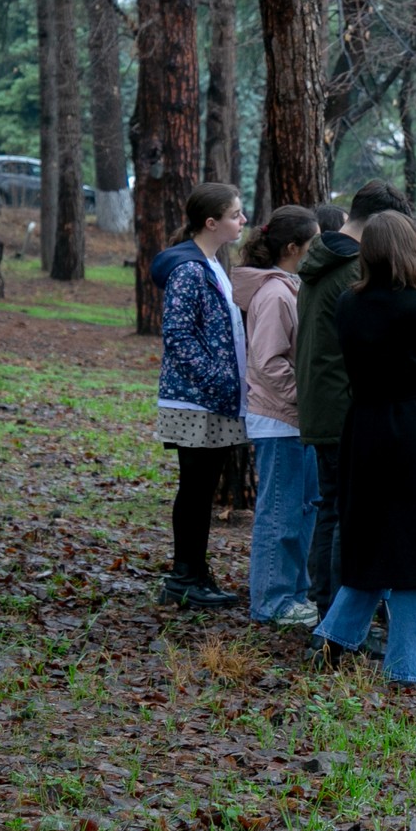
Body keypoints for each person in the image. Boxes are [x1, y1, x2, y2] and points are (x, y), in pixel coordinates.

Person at [309, 212, 416, 685]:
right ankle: (404, 668)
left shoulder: (349, 303)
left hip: (366, 428)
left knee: (373, 545)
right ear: (408, 250)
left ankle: (332, 644)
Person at [296, 179, 415, 614]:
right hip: (345, 407)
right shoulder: (351, 269)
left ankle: (327, 611)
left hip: (324, 403)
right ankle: (338, 621)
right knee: (349, 517)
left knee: (333, 510)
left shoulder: (322, 257)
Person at [148, 183, 250, 609]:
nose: (243, 220)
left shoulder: (212, 264)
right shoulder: (190, 270)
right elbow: (177, 335)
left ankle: (193, 571)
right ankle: (184, 578)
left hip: (213, 399)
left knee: (201, 489)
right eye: (235, 214)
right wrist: (217, 381)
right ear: (211, 223)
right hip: (195, 401)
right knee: (195, 489)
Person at [232, 205, 322, 628]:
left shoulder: (290, 288)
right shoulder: (274, 294)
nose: (317, 249)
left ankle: (294, 595)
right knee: (280, 515)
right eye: (313, 243)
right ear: (292, 248)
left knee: (300, 513)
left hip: (295, 421)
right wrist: (305, 400)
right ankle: (271, 601)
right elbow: (268, 362)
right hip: (279, 421)